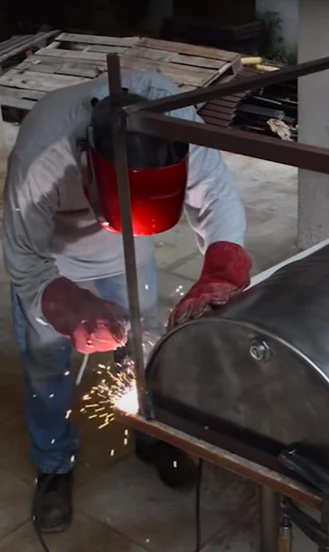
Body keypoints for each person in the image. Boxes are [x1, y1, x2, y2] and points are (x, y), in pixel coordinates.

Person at [2, 70, 252, 533]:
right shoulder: (44, 154)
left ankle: (149, 430)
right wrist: (66, 307)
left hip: (125, 250)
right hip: (53, 257)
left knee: (144, 341)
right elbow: (23, 257)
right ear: (86, 164)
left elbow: (219, 204)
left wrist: (221, 271)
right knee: (44, 359)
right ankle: (54, 464)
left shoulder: (178, 126)